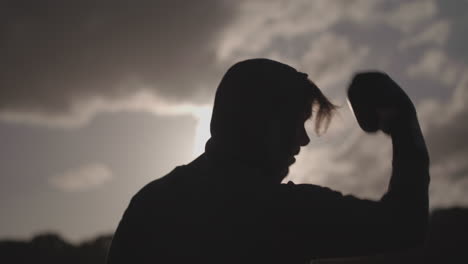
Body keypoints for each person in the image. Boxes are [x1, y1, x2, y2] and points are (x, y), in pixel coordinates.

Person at [106, 59, 430, 263]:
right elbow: (404, 226)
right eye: (296, 121)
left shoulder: (150, 203)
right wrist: (405, 126)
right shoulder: (279, 210)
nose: (303, 140)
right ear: (260, 121)